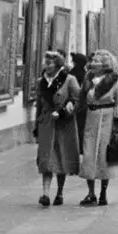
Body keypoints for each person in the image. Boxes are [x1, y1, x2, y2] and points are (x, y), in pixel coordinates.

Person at [78, 49, 118, 206]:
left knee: (103, 158)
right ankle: (91, 193)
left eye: (97, 62)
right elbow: (81, 100)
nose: (93, 64)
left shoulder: (114, 81)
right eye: (92, 61)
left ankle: (103, 193)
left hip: (107, 120)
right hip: (91, 120)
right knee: (88, 156)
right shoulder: (88, 80)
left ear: (105, 65)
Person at [33, 49, 81, 207]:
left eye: (50, 63)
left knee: (61, 158)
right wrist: (36, 125)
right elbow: (39, 105)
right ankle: (45, 193)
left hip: (63, 125)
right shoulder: (41, 81)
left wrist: (63, 112)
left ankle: (59, 192)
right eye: (45, 62)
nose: (46, 66)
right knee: (46, 159)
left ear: (58, 64)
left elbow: (77, 100)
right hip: (47, 124)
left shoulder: (69, 79)